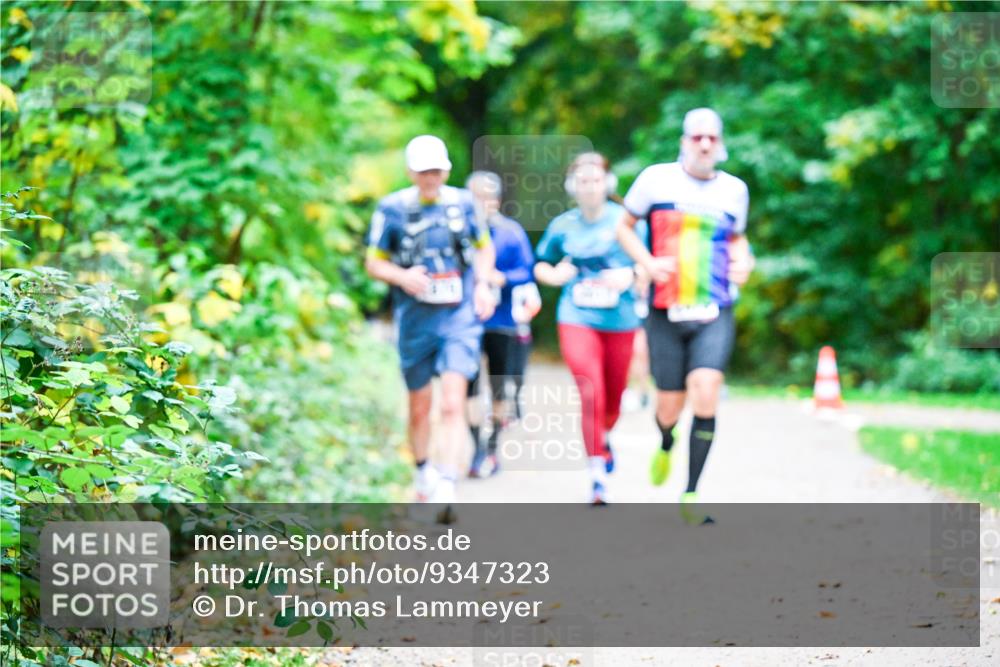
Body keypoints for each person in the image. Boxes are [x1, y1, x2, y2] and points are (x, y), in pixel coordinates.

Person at [616, 108, 755, 523]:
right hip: (665, 309)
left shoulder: (734, 190)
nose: (705, 144)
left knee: (707, 388)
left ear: (721, 143)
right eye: (697, 137)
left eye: (712, 137)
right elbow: (624, 226)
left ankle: (691, 493)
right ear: (684, 142)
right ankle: (664, 441)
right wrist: (646, 261)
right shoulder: (655, 180)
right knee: (669, 406)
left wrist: (744, 261)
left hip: (715, 307)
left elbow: (739, 239)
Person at [365, 135, 496, 504]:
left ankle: (448, 481)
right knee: (420, 406)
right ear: (410, 172)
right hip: (415, 320)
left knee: (453, 402)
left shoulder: (466, 205)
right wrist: (402, 277)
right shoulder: (391, 209)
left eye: (436, 171)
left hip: (458, 317)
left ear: (447, 170)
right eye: (423, 171)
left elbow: (485, 249)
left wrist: (483, 286)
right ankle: (424, 470)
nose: (430, 178)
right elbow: (373, 262)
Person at [534, 152, 646, 506]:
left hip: (621, 320)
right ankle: (597, 476)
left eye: (595, 180)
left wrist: (629, 275)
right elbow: (540, 264)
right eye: (582, 181)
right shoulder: (563, 225)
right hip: (576, 316)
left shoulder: (627, 222)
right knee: (589, 391)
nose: (589, 187)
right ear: (572, 187)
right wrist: (554, 276)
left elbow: (650, 267)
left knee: (612, 400)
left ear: (607, 184)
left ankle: (604, 435)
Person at [464, 171, 540, 478]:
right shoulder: (461, 231)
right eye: (478, 196)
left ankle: (493, 448)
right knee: (467, 387)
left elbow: (528, 271)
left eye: (490, 196)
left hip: (502, 321)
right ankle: (476, 449)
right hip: (467, 323)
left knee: (499, 386)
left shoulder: (511, 233)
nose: (485, 203)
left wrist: (502, 278)